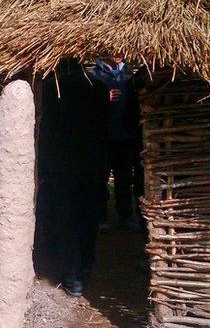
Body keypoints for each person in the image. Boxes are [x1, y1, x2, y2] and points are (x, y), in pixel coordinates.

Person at [41, 60, 110, 297]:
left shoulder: (51, 89)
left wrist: (42, 168)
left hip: (62, 167)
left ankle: (73, 277)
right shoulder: (100, 87)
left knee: (67, 220)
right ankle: (87, 264)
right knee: (89, 217)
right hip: (94, 164)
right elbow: (105, 128)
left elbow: (47, 132)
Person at [90, 56, 141, 231]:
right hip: (103, 137)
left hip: (124, 136)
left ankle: (125, 216)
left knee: (124, 179)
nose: (117, 53)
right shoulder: (94, 75)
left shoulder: (127, 73)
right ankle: (100, 218)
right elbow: (86, 105)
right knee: (100, 180)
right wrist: (104, 98)